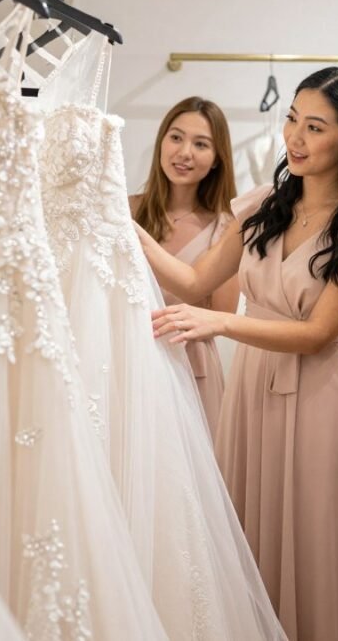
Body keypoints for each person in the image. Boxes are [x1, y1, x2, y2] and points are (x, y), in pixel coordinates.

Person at [135, 67, 338, 641]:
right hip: (254, 389)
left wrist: (223, 321)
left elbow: (318, 334)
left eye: (315, 127)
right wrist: (125, 229)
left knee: (313, 540)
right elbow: (193, 278)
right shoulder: (260, 206)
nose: (295, 140)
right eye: (291, 121)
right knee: (246, 534)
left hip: (318, 395)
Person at [130, 97, 238, 437]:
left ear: (218, 158)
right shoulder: (126, 210)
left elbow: (222, 314)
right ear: (162, 140)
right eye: (176, 137)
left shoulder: (227, 228)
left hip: (193, 367)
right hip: (129, 358)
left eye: (201, 144)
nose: (185, 152)